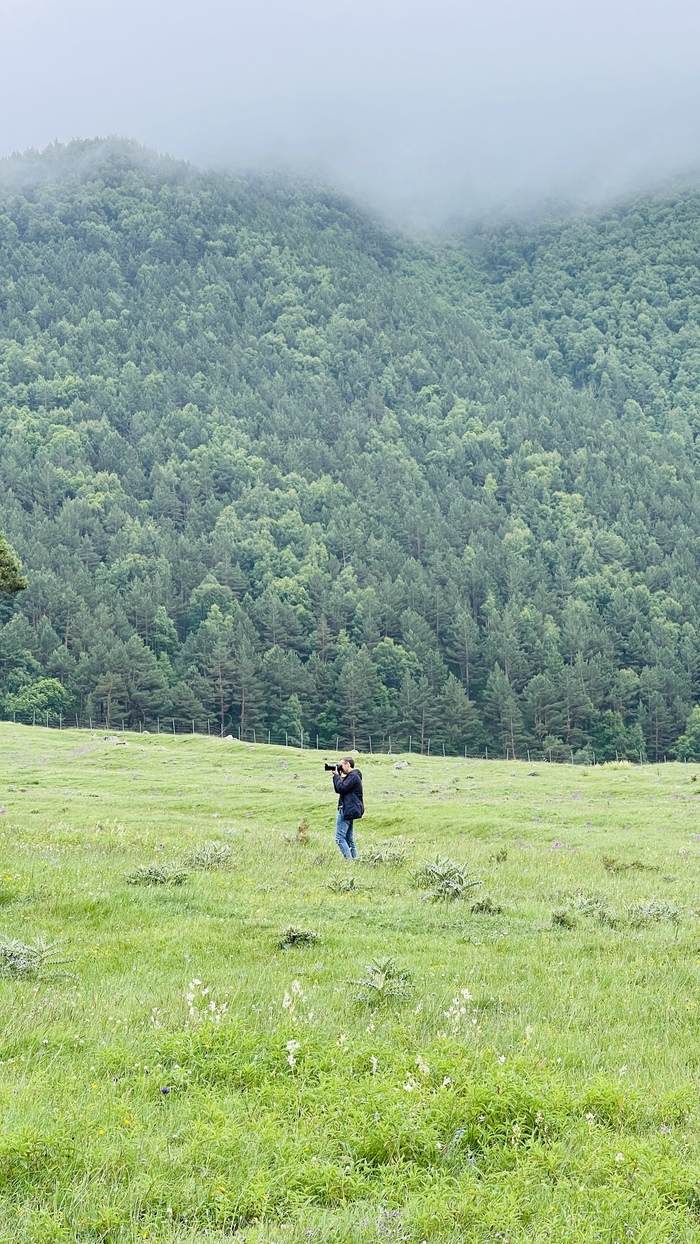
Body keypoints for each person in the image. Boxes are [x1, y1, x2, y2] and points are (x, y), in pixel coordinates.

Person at [332, 756, 364, 860]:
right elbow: (339, 789)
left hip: (347, 809)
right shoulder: (353, 776)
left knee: (339, 838)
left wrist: (337, 776)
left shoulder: (353, 776)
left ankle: (349, 862)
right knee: (349, 839)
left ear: (348, 764)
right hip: (350, 809)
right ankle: (355, 860)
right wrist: (336, 777)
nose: (340, 767)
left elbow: (342, 787)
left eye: (341, 765)